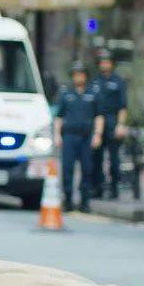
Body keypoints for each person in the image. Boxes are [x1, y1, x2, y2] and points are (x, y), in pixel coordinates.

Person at [54, 61, 104, 213]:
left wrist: (98, 134)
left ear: (86, 76)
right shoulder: (66, 93)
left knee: (87, 169)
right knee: (67, 168)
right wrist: (57, 135)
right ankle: (68, 200)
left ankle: (85, 202)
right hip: (69, 136)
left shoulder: (93, 93)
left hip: (86, 136)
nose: (78, 77)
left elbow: (99, 116)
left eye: (81, 74)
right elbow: (59, 116)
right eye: (76, 74)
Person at [91, 49, 129, 199]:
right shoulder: (94, 82)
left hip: (113, 120)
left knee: (114, 158)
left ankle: (114, 188)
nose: (104, 64)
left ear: (112, 64)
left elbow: (123, 106)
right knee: (96, 157)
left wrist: (120, 125)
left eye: (107, 62)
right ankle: (98, 188)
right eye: (102, 62)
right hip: (98, 121)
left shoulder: (118, 81)